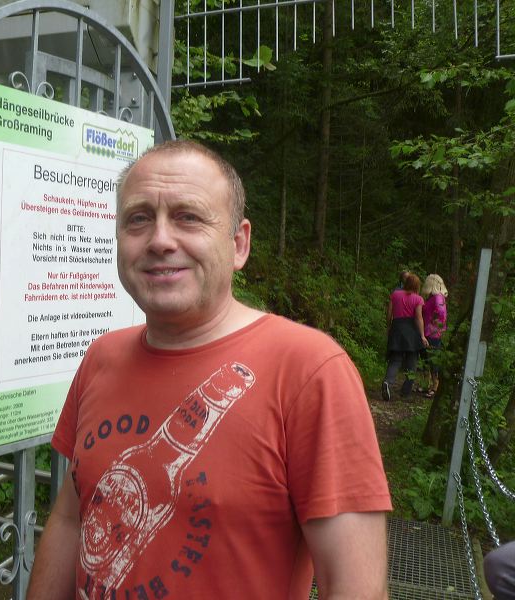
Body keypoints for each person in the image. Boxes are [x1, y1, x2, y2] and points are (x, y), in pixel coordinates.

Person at [26, 140, 391, 599]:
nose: (160, 240)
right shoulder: (102, 357)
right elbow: (72, 517)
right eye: (138, 219)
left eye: (188, 217)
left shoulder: (310, 371)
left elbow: (356, 588)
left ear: (239, 244)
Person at [382, 273, 428, 401]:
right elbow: (418, 318)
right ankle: (406, 391)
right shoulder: (418, 299)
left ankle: (387, 382)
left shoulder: (395, 295)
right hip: (411, 330)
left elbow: (389, 313)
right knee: (412, 362)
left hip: (397, 327)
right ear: (417, 285)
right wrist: (422, 335)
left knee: (395, 360)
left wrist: (389, 327)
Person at [420, 273, 448, 398]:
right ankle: (427, 383)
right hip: (428, 332)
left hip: (433, 333)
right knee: (426, 359)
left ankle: (435, 386)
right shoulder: (433, 297)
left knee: (432, 360)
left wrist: (434, 324)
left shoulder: (438, 297)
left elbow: (441, 313)